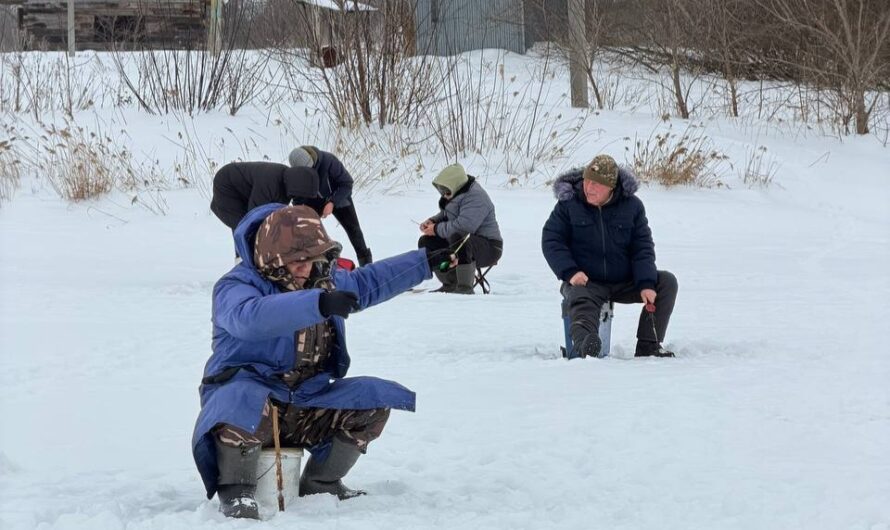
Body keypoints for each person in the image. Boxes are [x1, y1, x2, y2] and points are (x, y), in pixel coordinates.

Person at [192, 204, 452, 519]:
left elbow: (367, 284)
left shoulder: (322, 280)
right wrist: (318, 303)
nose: (306, 267)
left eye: (312, 258)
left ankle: (322, 483)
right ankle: (237, 491)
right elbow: (250, 318)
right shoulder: (236, 286)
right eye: (297, 260)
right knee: (240, 398)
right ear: (273, 256)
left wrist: (425, 262)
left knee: (372, 400)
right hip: (251, 404)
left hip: (305, 400)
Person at [541, 154, 678, 358]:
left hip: (623, 280)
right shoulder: (568, 204)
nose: (589, 188)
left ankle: (649, 346)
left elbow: (642, 248)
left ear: (611, 187)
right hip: (587, 281)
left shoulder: (633, 207)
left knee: (666, 282)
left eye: (596, 184)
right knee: (579, 297)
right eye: (587, 181)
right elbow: (552, 240)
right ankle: (584, 346)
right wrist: (571, 272)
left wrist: (646, 283)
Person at [417, 163, 503, 294]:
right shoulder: (459, 192)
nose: (444, 195)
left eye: (446, 191)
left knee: (461, 238)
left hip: (489, 247)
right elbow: (447, 214)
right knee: (426, 242)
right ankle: (450, 283)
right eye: (441, 191)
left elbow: (463, 227)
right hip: (461, 241)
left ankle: (464, 288)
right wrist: (433, 221)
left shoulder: (476, 197)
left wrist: (436, 229)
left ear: (455, 184)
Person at [289, 146, 373, 266]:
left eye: (310, 169)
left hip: (338, 195)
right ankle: (315, 266)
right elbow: (298, 197)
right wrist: (300, 211)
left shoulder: (329, 161)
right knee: (308, 232)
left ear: (312, 161)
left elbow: (347, 183)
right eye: (304, 172)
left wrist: (332, 202)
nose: (308, 173)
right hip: (313, 200)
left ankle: (367, 266)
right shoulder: (298, 172)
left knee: (354, 231)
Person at [210, 161, 319, 234]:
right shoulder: (270, 183)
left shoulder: (288, 181)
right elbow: (254, 214)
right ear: (298, 188)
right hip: (226, 185)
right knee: (245, 227)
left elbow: (277, 214)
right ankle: (243, 263)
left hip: (244, 190)